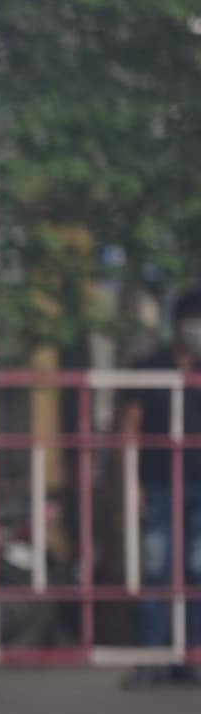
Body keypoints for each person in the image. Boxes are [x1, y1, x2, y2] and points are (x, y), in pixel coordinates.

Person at [118, 290, 201, 687]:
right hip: (156, 485)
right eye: (194, 319)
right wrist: (131, 484)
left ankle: (193, 656)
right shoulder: (148, 367)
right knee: (156, 572)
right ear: (178, 322)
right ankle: (151, 658)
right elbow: (129, 428)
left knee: (197, 572)